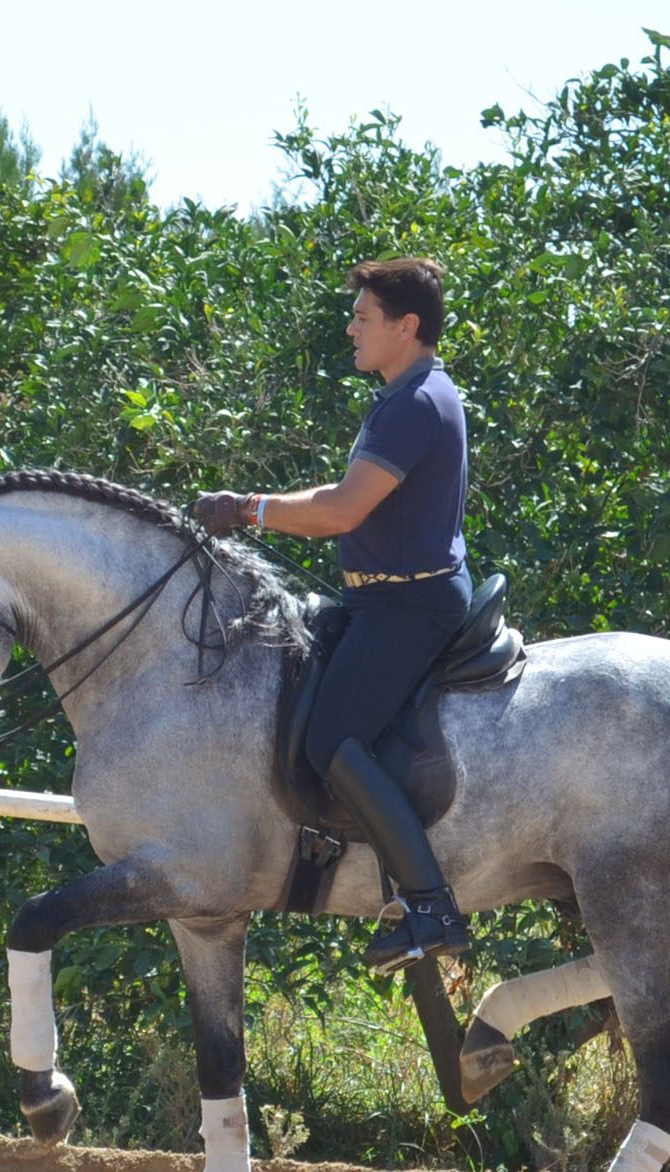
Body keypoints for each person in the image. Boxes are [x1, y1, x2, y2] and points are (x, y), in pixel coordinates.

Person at [195, 256, 474, 974]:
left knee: (331, 738)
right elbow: (345, 490)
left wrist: (247, 509)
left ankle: (430, 906)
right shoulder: (405, 393)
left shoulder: (416, 402)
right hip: (380, 596)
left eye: (362, 317)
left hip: (407, 605)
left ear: (405, 327)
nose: (349, 328)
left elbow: (343, 510)